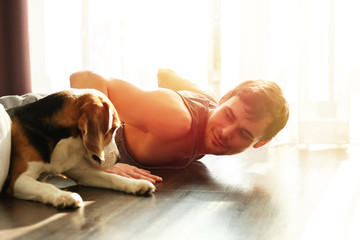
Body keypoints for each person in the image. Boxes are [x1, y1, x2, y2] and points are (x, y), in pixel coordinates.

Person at [70, 68, 289, 184]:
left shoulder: (211, 104)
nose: (225, 132)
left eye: (244, 133)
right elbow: (84, 78)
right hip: (40, 124)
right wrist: (97, 161)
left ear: (261, 143)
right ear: (224, 99)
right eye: (229, 115)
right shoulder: (174, 120)